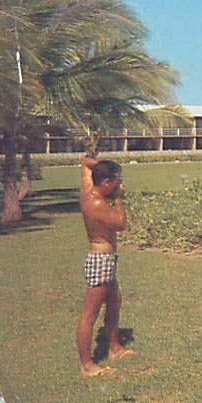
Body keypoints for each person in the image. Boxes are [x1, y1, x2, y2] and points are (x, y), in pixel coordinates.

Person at [76, 157, 135, 377]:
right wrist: (119, 199)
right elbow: (120, 224)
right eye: (117, 181)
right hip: (100, 260)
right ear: (107, 183)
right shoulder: (99, 204)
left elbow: (85, 163)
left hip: (105, 259)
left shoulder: (87, 190)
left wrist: (103, 166)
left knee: (114, 300)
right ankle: (87, 365)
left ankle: (114, 348)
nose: (119, 185)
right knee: (89, 315)